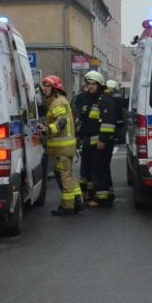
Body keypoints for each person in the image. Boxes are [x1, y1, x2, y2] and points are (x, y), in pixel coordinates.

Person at [41, 75, 84, 216]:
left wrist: (47, 130)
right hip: (66, 148)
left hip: (62, 149)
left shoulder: (58, 103)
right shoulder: (59, 101)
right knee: (69, 175)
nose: (44, 88)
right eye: (44, 86)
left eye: (47, 86)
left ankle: (67, 207)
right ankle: (78, 202)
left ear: (54, 88)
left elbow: (61, 121)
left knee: (64, 177)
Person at [75, 70, 117, 206]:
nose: (91, 86)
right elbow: (84, 122)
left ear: (100, 85)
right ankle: (94, 195)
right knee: (91, 170)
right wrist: (79, 136)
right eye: (88, 84)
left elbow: (109, 123)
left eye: (94, 84)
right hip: (89, 142)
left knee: (100, 169)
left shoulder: (105, 101)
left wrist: (103, 140)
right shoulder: (88, 99)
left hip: (101, 143)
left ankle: (102, 199)